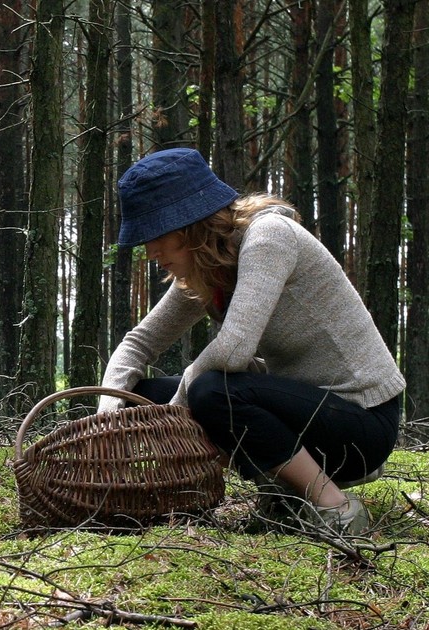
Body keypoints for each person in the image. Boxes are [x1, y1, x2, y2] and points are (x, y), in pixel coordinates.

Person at [99, 148, 404, 537]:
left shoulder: (268, 237)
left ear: (190, 224)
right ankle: (284, 492)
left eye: (155, 235)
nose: (150, 252)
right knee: (141, 394)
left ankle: (335, 506)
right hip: (301, 415)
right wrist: (107, 415)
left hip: (360, 423)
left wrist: (176, 411)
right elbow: (138, 344)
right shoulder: (206, 267)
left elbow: (234, 349)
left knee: (211, 390)